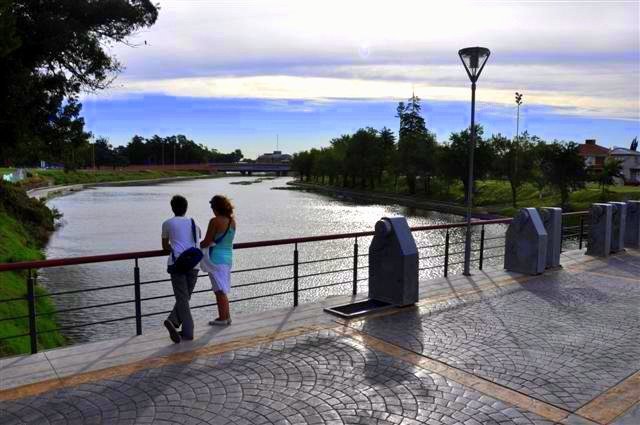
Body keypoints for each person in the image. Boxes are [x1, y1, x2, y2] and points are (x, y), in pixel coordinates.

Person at [161, 195, 201, 343]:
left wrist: (174, 247)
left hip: (178, 264)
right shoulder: (194, 223)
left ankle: (188, 331)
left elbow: (165, 246)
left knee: (182, 298)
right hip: (194, 264)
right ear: (186, 208)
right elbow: (197, 239)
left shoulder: (167, 223)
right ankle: (173, 322)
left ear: (172, 208)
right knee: (185, 297)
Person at [200, 195, 236, 326]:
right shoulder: (232, 222)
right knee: (222, 288)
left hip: (215, 259)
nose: (212, 210)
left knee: (219, 290)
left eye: (212, 207)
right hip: (228, 258)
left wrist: (195, 245)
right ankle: (227, 316)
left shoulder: (214, 221)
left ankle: (223, 318)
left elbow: (206, 241)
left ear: (216, 208)